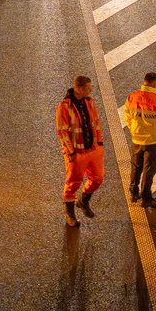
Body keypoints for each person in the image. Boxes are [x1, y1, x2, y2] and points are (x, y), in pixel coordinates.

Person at [56, 75, 105, 228]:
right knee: (73, 183)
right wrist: (71, 153)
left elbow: (96, 122)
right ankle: (70, 214)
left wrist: (99, 143)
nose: (91, 90)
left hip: (93, 149)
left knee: (98, 178)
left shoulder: (90, 102)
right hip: (77, 153)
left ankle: (83, 200)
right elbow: (62, 132)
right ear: (80, 89)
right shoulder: (64, 107)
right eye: (88, 88)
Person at [124, 72, 156, 208]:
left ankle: (133, 193)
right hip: (153, 141)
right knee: (149, 170)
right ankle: (146, 197)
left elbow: (127, 117)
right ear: (155, 83)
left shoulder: (132, 97)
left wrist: (134, 131)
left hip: (137, 139)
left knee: (136, 167)